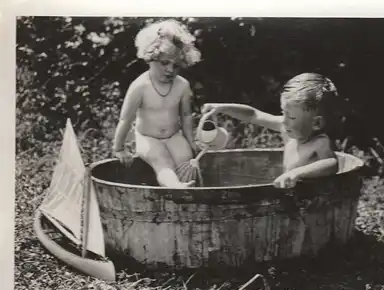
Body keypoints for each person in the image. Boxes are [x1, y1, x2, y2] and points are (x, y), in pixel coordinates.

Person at [201, 72, 342, 188]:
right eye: (283, 112)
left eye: (292, 117)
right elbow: (254, 115)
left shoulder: (319, 142)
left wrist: (298, 173)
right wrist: (221, 108)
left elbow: (331, 164)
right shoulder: (287, 128)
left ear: (316, 123)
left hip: (312, 201)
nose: (284, 120)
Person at [112, 19, 201, 188]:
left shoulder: (182, 85)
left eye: (176, 66)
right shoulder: (140, 86)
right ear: (150, 57)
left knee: (186, 158)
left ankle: (191, 190)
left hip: (173, 135)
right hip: (148, 137)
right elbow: (126, 119)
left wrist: (191, 140)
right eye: (165, 63)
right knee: (162, 160)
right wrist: (119, 148)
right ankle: (175, 187)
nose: (170, 70)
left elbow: (186, 115)